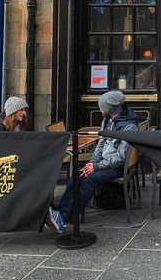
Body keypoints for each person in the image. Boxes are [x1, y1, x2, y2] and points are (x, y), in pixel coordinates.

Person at [46, 90, 138, 233]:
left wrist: (96, 167)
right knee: (79, 172)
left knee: (90, 180)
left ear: (110, 108)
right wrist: (92, 164)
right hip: (104, 163)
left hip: (119, 166)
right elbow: (100, 145)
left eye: (101, 107)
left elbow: (121, 158)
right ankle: (61, 213)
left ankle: (64, 219)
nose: (100, 109)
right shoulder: (107, 120)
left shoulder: (128, 126)